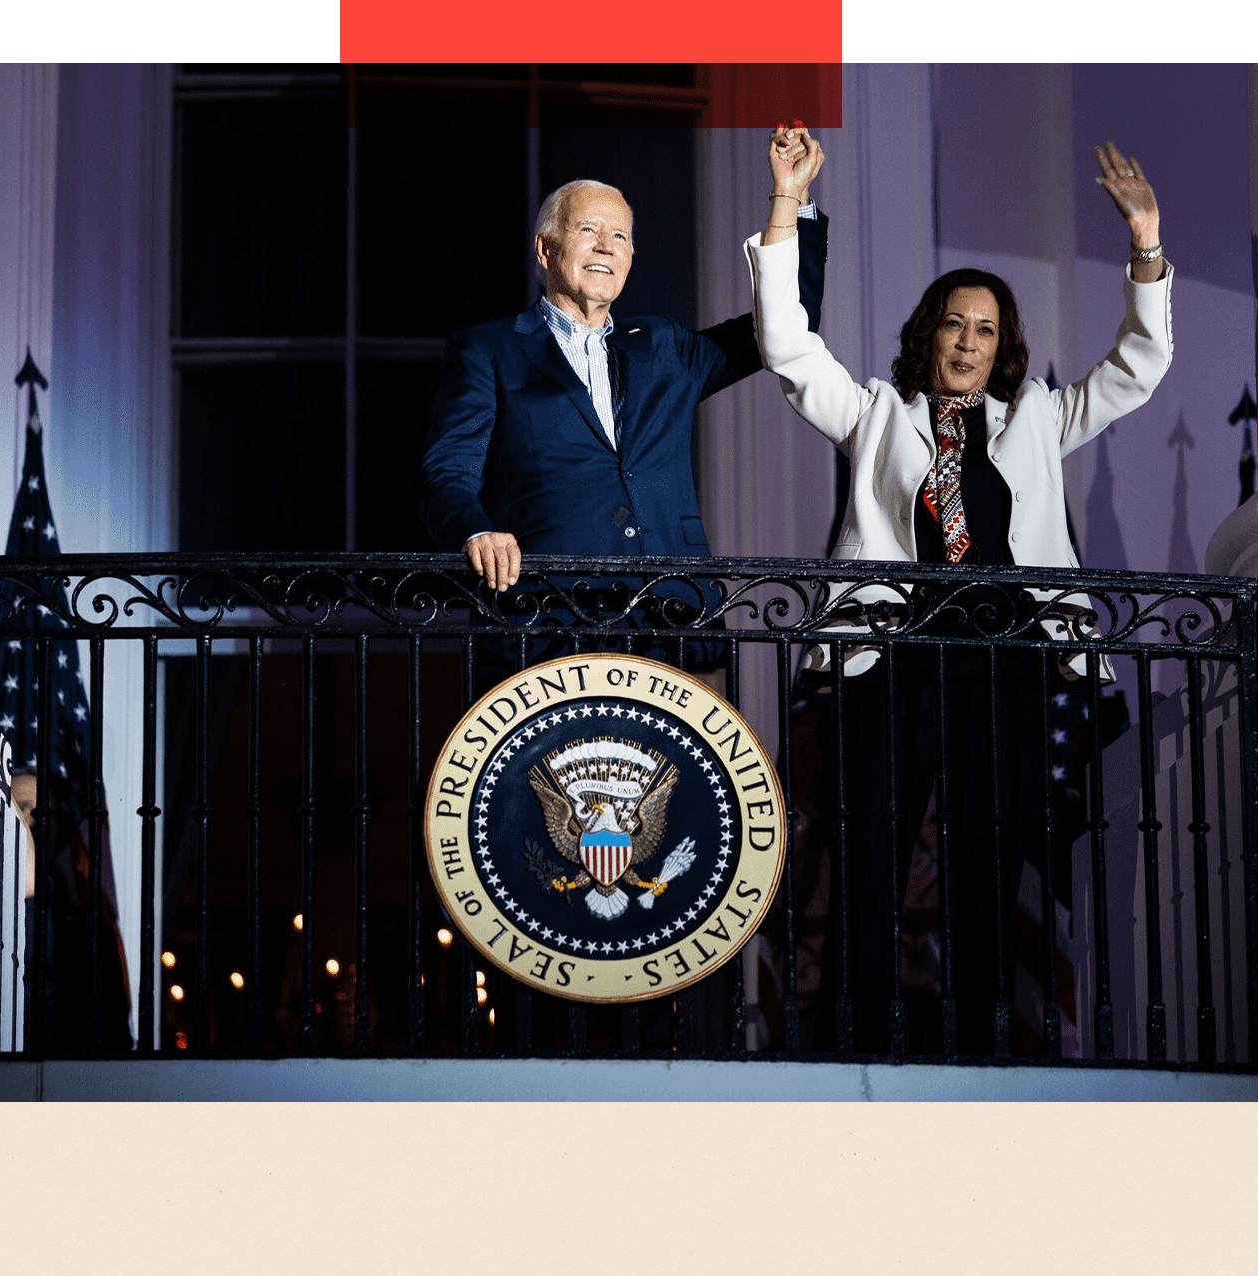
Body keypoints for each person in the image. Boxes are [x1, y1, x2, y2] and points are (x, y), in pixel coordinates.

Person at [747, 138, 1172, 1055]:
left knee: (988, 862)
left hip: (1007, 661)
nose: (968, 342)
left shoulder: (1041, 420)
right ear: (927, 335)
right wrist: (786, 206)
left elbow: (1139, 364)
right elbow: (784, 345)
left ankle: (985, 1045)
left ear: (1002, 346)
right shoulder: (873, 414)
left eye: (984, 329)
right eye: (953, 325)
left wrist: (1145, 244)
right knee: (870, 858)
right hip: (890, 659)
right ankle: (850, 1041)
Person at [419, 127, 830, 601]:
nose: (606, 246)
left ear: (631, 257)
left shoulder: (662, 345)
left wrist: (791, 197)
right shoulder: (489, 350)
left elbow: (788, 323)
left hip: (673, 611)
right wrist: (476, 534)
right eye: (587, 230)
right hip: (548, 611)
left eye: (619, 236)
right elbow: (447, 475)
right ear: (546, 248)